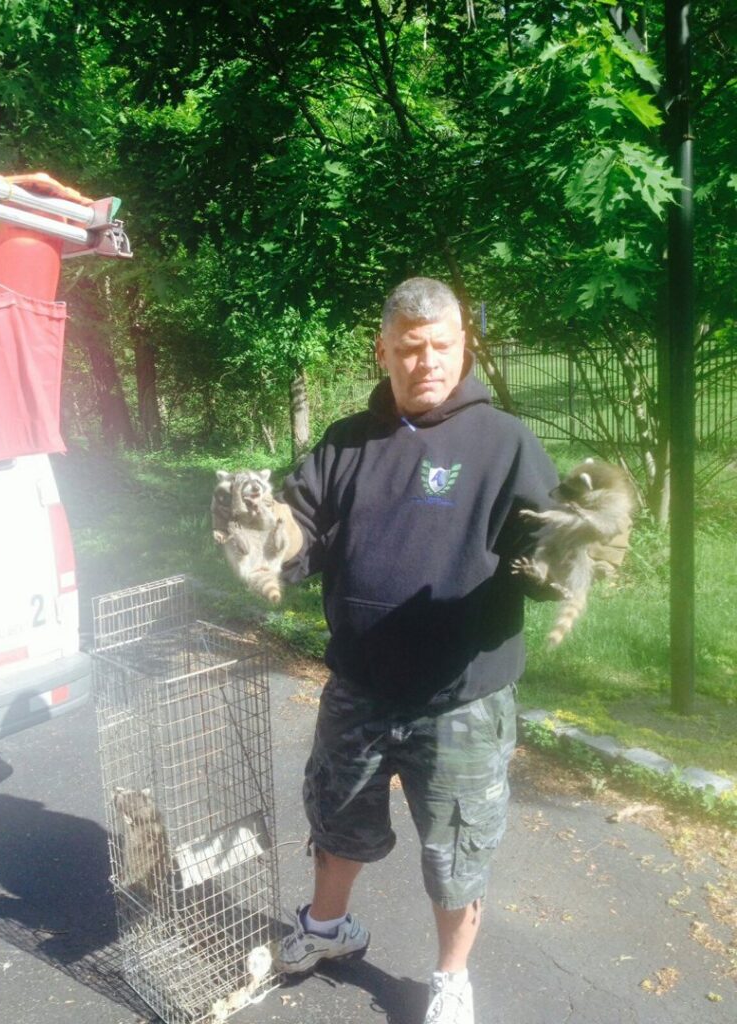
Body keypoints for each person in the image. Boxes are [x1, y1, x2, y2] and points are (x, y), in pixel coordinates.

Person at [275, 277, 559, 1024]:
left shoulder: (507, 445)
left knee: (457, 853)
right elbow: (296, 530)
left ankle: (449, 980)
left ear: (464, 345)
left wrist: (565, 559)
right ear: (383, 351)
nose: (426, 361)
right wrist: (265, 536)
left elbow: (544, 553)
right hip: (359, 687)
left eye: (441, 345)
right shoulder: (345, 442)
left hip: (461, 697)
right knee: (336, 821)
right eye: (409, 348)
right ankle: (327, 930)